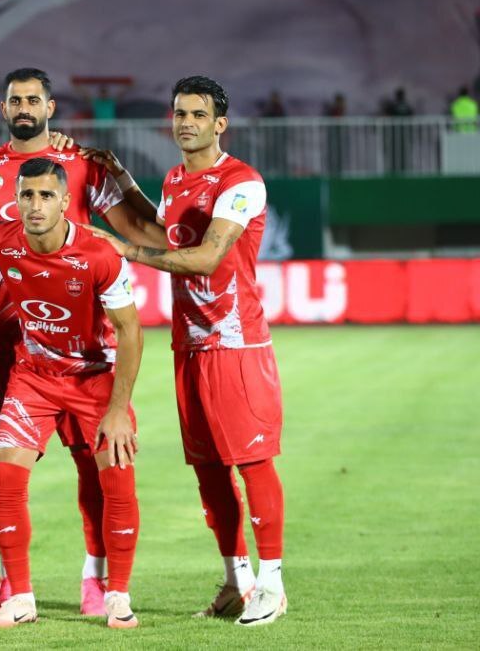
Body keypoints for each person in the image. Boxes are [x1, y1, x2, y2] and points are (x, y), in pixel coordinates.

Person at [85, 75, 289, 627]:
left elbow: (205, 258)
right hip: (191, 346)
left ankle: (272, 585)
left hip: (236, 343)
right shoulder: (176, 178)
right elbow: (163, 234)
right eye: (179, 113)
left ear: (220, 123)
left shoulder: (241, 182)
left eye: (198, 114)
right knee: (209, 471)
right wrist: (120, 178)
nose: (187, 123)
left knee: (252, 463)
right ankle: (237, 582)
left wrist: (123, 250)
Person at [0, 67, 155, 615]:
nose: (36, 204)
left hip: (91, 366)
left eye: (33, 99)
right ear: (3, 108)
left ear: (50, 107)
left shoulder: (83, 171)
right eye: (15, 100)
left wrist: (179, 249)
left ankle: (104, 584)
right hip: (21, 352)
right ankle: (14, 587)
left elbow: (135, 237)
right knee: (4, 465)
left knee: (100, 469)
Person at [381, 87, 414, 173]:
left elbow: (387, 115)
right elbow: (411, 116)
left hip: (395, 134)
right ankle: (402, 169)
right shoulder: (407, 106)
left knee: (394, 153)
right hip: (404, 134)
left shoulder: (393, 106)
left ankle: (395, 169)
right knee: (402, 152)